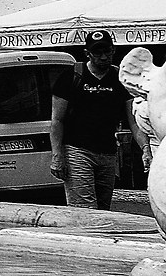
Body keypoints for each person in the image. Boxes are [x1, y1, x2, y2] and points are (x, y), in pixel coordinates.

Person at [53, 29, 135, 211]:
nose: (104, 57)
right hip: (77, 150)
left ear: (114, 50)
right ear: (87, 53)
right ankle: (85, 237)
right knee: (85, 209)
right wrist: (57, 155)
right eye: (97, 53)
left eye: (107, 52)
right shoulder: (72, 76)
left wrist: (146, 148)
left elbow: (133, 121)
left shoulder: (120, 79)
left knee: (103, 209)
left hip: (108, 152)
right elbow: (57, 120)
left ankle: (98, 239)